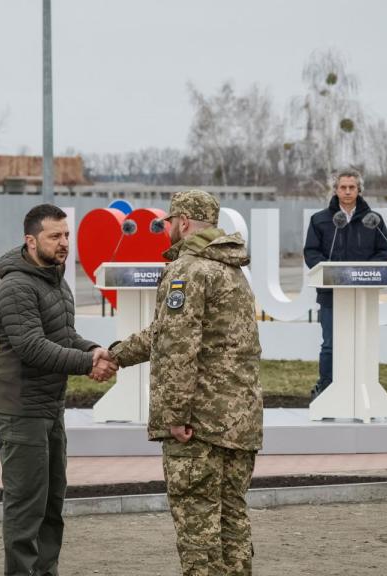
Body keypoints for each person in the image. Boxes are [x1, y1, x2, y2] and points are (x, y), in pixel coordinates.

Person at [110, 189, 263, 576]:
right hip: (238, 422)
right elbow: (169, 333)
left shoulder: (187, 269)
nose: (165, 230)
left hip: (199, 425)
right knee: (232, 521)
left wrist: (175, 416)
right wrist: (115, 355)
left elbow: (178, 347)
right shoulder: (231, 268)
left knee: (198, 527)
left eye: (167, 223)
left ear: (182, 222)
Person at [0, 203, 116, 576]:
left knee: (50, 507)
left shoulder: (54, 279)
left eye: (66, 235)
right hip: (22, 410)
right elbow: (32, 347)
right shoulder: (16, 287)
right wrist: (87, 364)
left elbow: (63, 336)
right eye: (54, 236)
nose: (64, 243)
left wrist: (92, 349)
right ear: (31, 241)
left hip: (49, 407)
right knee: (25, 508)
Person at [303, 168, 387, 398]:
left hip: (363, 295)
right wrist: (331, 271)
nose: (347, 191)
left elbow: (384, 251)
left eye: (352, 187)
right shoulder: (320, 220)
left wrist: (365, 271)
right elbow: (311, 253)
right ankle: (326, 388)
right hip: (331, 294)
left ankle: (362, 390)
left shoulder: (373, 221)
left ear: (359, 190)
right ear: (336, 190)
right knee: (330, 345)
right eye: (343, 187)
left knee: (362, 344)